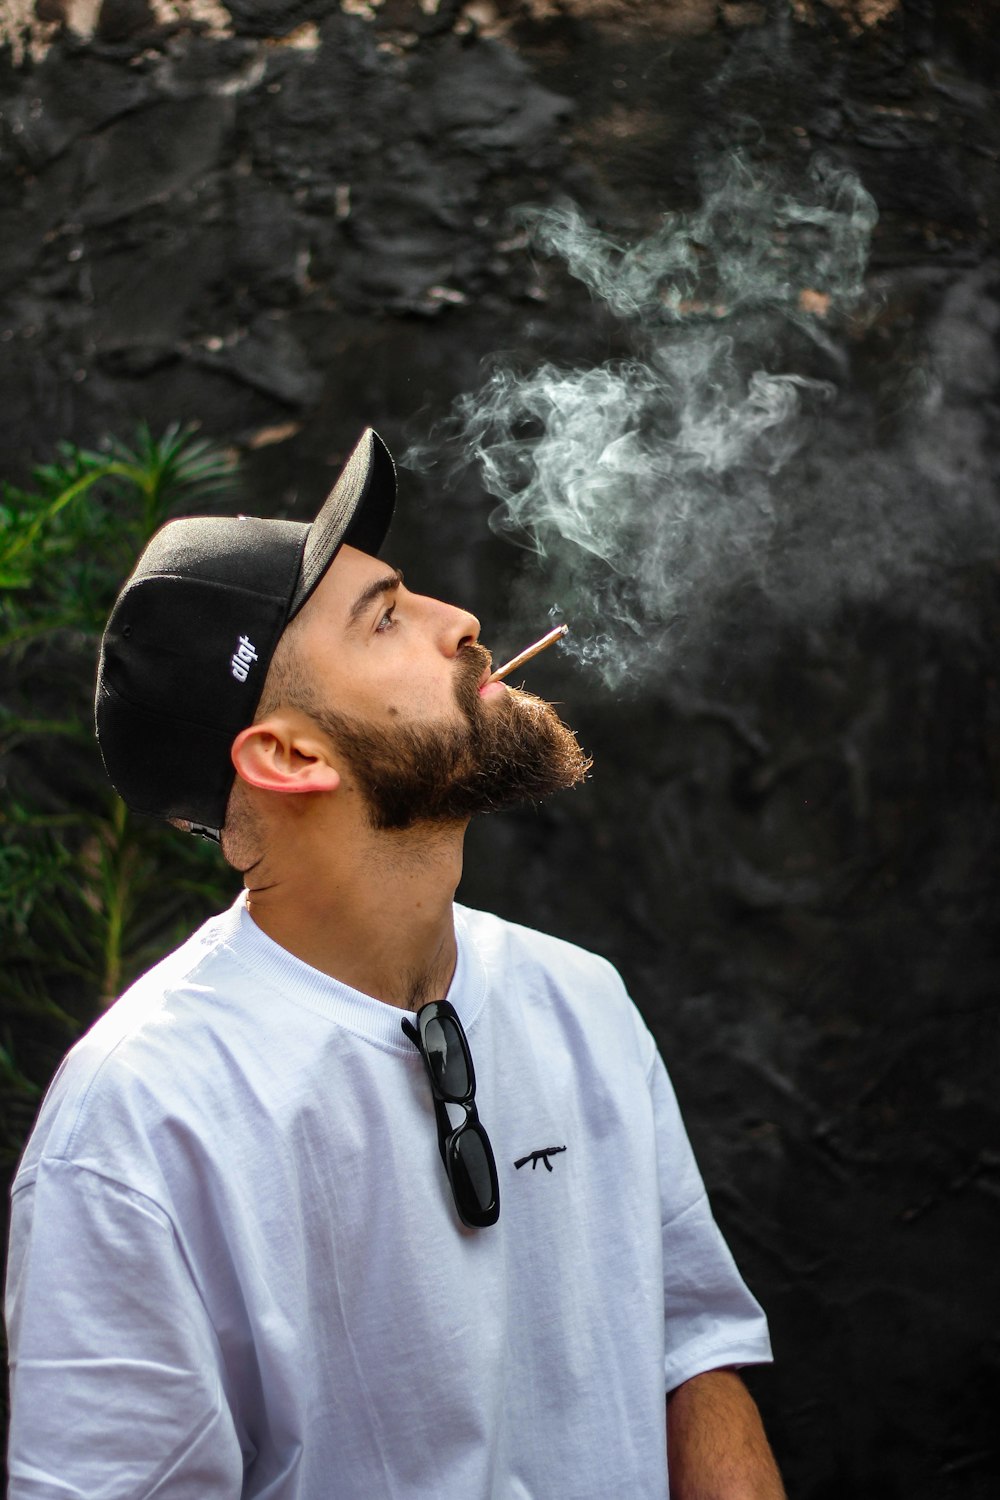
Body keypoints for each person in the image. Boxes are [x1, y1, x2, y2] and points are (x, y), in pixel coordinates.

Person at [5, 428, 785, 1498]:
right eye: (383, 619)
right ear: (288, 754)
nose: (460, 622)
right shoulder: (139, 1123)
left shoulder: (577, 997)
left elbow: (690, 1357)